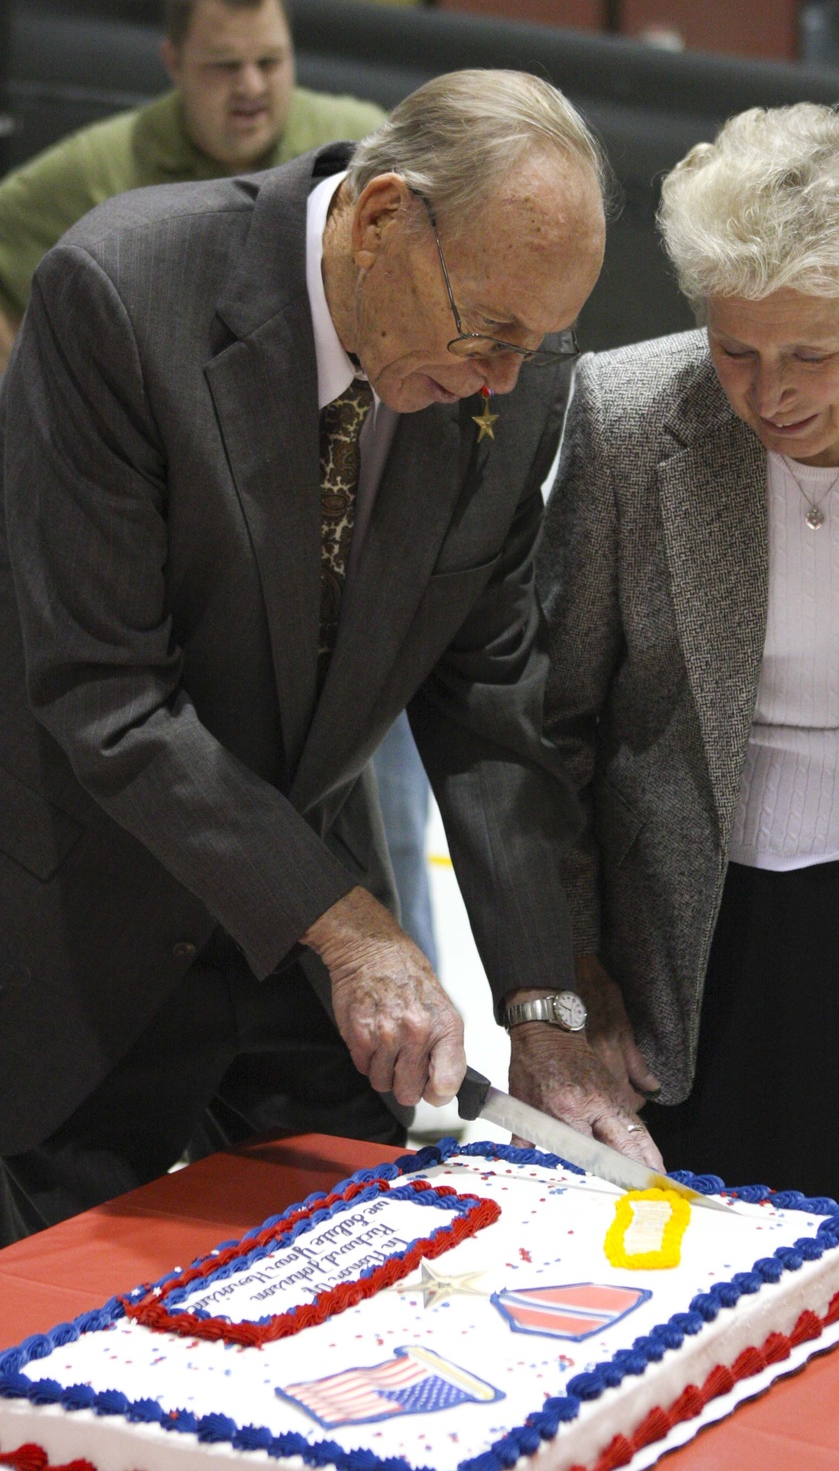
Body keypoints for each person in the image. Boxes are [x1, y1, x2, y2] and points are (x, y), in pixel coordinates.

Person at [0, 66, 661, 1245]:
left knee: (349, 1295)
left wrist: (545, 1007)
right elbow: (106, 694)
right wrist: (350, 925)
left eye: (543, 340)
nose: (506, 379)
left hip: (303, 958)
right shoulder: (121, 292)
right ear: (381, 219)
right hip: (86, 915)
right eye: (490, 333)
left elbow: (489, 694)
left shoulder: (516, 373)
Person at [539, 101, 839, 1240]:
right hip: (694, 943)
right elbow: (549, 722)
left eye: (810, 354)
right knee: (704, 1281)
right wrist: (563, 971)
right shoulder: (631, 418)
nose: (767, 392)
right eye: (733, 349)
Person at [0, 0, 386, 374]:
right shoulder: (102, 166)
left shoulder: (356, 146)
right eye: (225, 66)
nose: (251, 86)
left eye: (269, 62)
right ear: (174, 63)